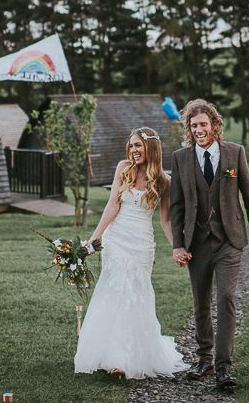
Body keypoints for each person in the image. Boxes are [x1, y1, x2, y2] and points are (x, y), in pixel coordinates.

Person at [169, 99, 249, 390]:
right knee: (200, 302)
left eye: (203, 124)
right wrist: (177, 244)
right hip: (196, 243)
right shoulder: (180, 158)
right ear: (189, 128)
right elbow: (176, 208)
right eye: (193, 125)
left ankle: (224, 367)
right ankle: (204, 359)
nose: (199, 129)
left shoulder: (235, 154)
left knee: (225, 298)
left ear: (214, 125)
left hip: (229, 241)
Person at [74, 127, 185, 379]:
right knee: (115, 292)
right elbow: (112, 205)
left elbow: (165, 221)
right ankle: (116, 360)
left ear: (151, 149)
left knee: (137, 296)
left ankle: (130, 354)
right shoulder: (123, 167)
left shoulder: (164, 181)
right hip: (116, 240)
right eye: (132, 145)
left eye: (138, 146)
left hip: (142, 244)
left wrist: (176, 247)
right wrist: (94, 239)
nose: (134, 150)